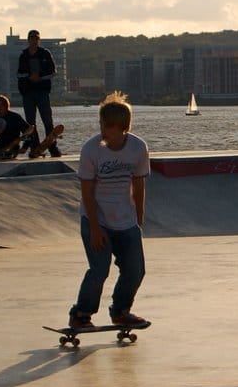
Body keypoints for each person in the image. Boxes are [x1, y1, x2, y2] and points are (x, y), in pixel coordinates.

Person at [68, 91, 152, 331]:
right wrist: (94, 227)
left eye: (107, 127)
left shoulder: (138, 148)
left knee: (135, 270)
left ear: (122, 127)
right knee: (99, 270)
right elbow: (86, 192)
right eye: (101, 125)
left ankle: (121, 311)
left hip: (125, 221)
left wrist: (138, 220)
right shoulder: (91, 150)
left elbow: (138, 184)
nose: (103, 131)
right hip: (97, 219)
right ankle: (81, 314)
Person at [17, 29, 61, 157]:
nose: (34, 41)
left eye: (36, 38)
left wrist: (40, 76)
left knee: (47, 120)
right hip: (28, 93)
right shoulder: (23, 55)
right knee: (30, 123)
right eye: (32, 38)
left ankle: (53, 147)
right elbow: (19, 74)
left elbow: (53, 71)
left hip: (42, 91)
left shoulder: (45, 54)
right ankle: (34, 147)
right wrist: (30, 76)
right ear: (28, 40)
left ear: (38, 40)